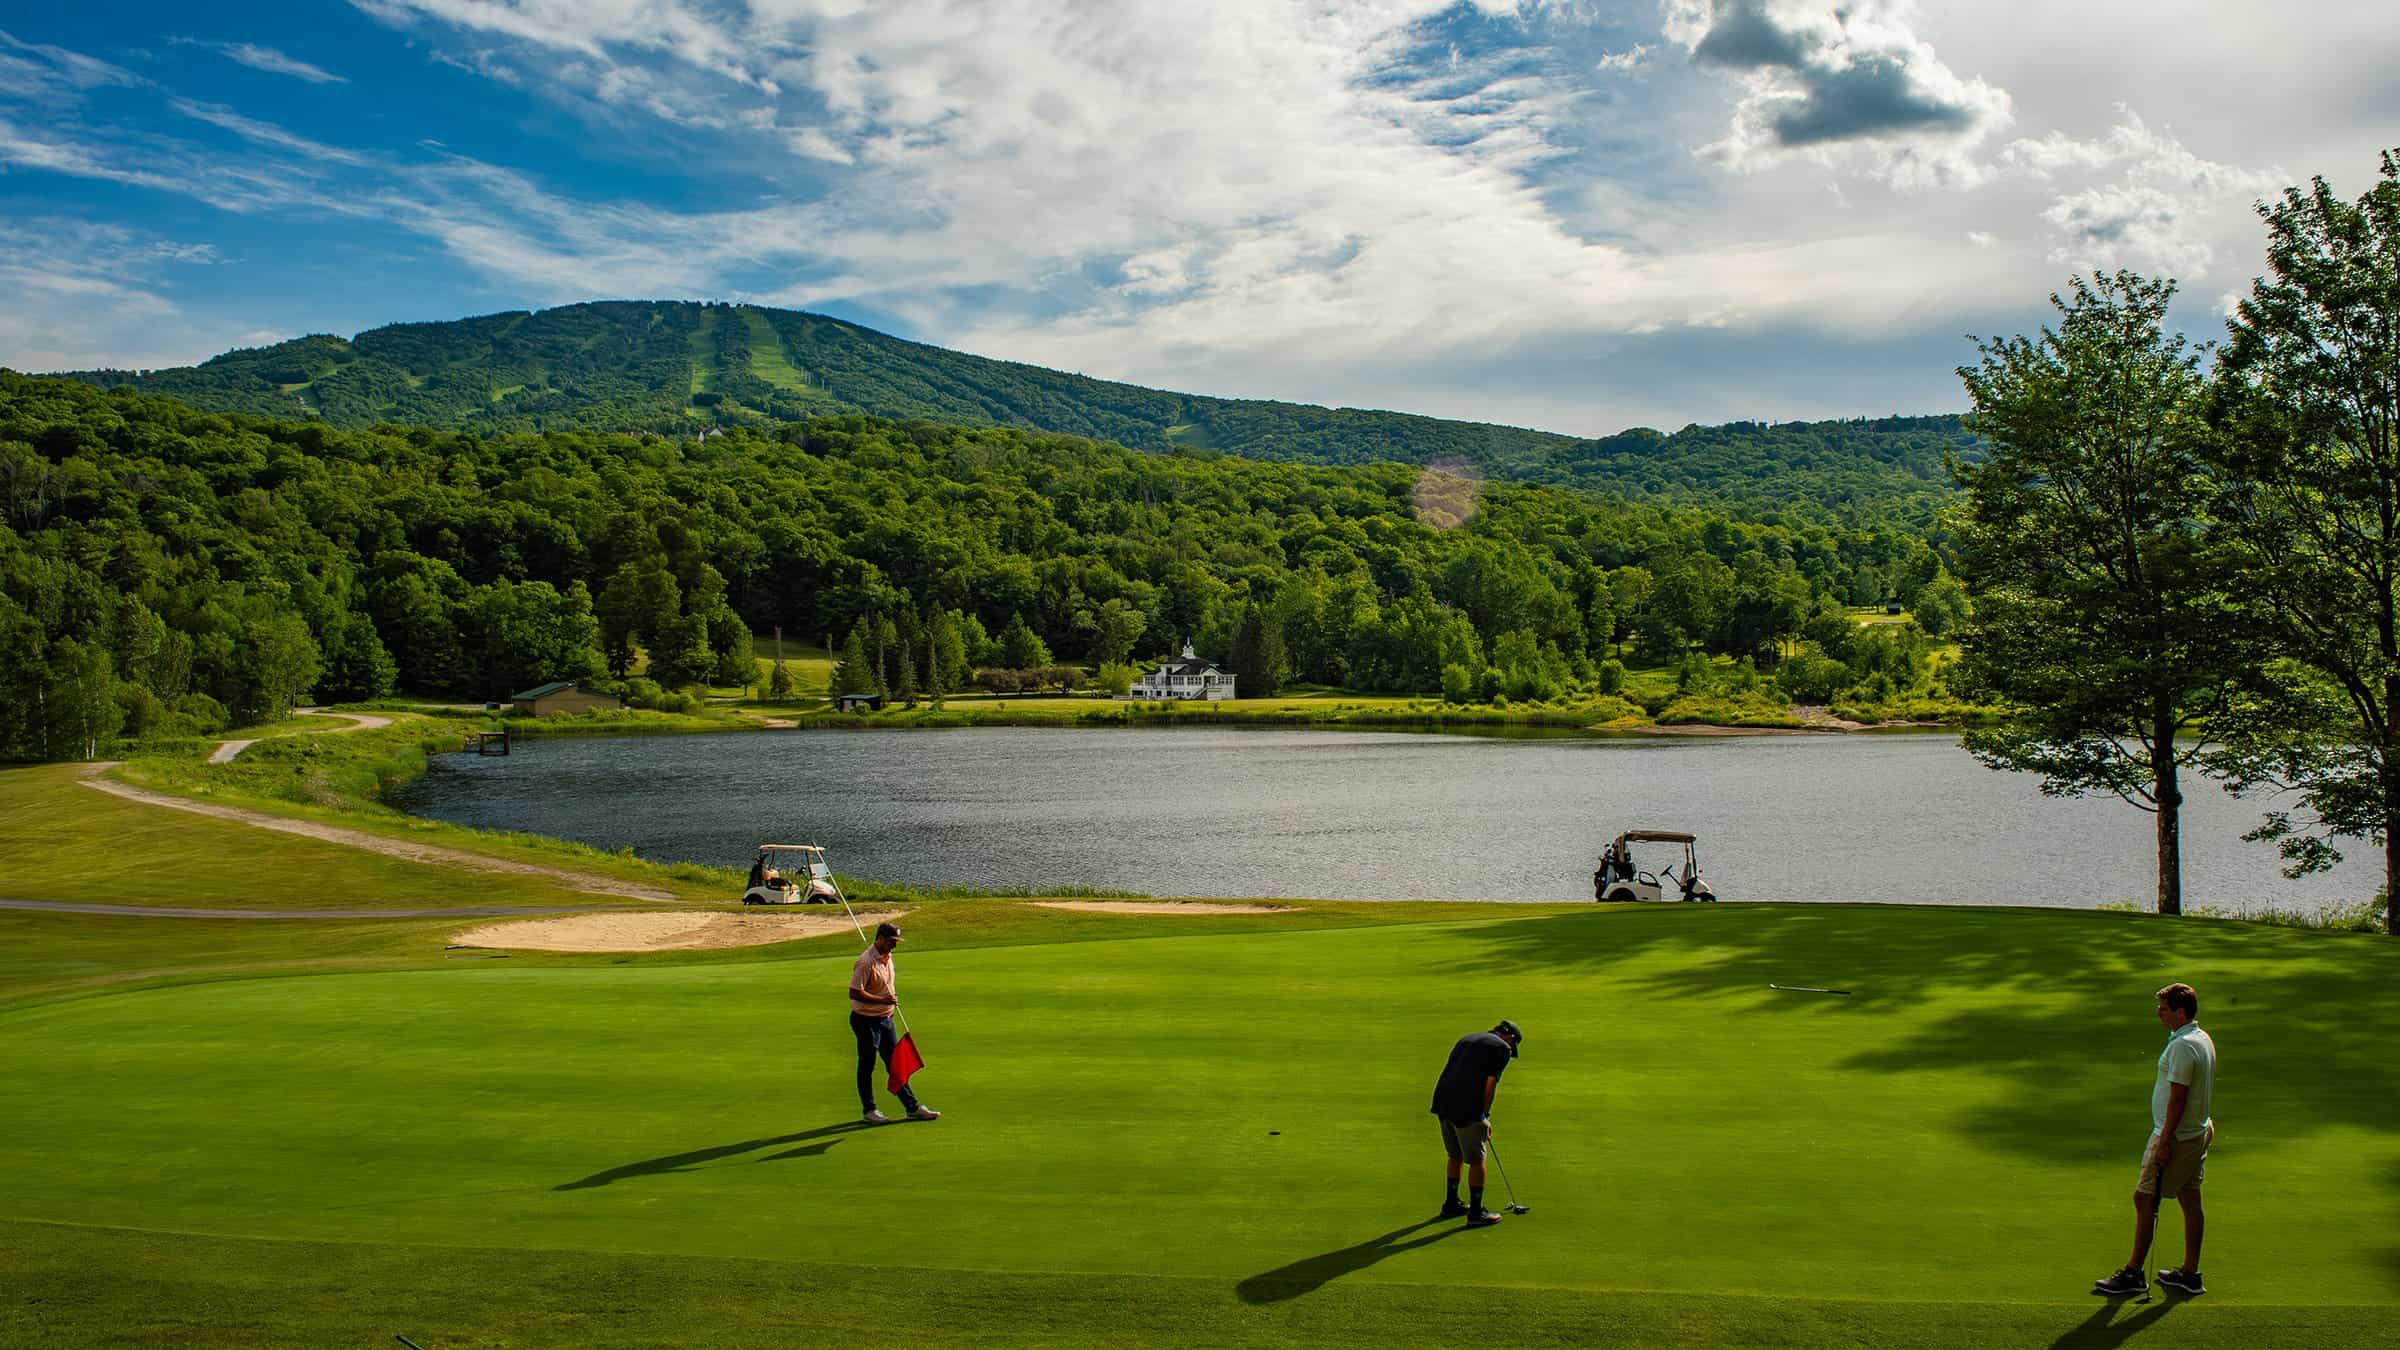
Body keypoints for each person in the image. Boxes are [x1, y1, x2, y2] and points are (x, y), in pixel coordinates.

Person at [2093, 983, 2216, 1297]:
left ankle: (2134, 1274)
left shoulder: (2183, 1047)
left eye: (2163, 1009)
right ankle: (2190, 1274)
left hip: (2176, 1136)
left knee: (2144, 1197)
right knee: (2191, 1198)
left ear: (2180, 1012)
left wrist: (2164, 1141)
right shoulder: (2200, 1038)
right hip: (2198, 1131)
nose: (2158, 1014)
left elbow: (2178, 1098)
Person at [1430, 1020, 1522, 1226]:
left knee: (1455, 1155)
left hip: (1442, 1101)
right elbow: (1490, 1083)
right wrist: (1484, 1115)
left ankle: (1451, 1203)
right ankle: (1476, 1213)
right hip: (1466, 1107)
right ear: (1510, 1038)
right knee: (1477, 1161)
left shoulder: (1467, 1038)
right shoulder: (1502, 1048)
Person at [849, 921, 939, 1124]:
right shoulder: (865, 962)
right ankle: (869, 1111)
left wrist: (886, 1004)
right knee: (867, 1064)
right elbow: (854, 992)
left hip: (886, 1019)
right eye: (892, 941)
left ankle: (912, 1107)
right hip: (866, 1020)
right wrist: (883, 1000)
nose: (895, 945)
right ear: (880, 938)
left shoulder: (888, 958)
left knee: (895, 1063)